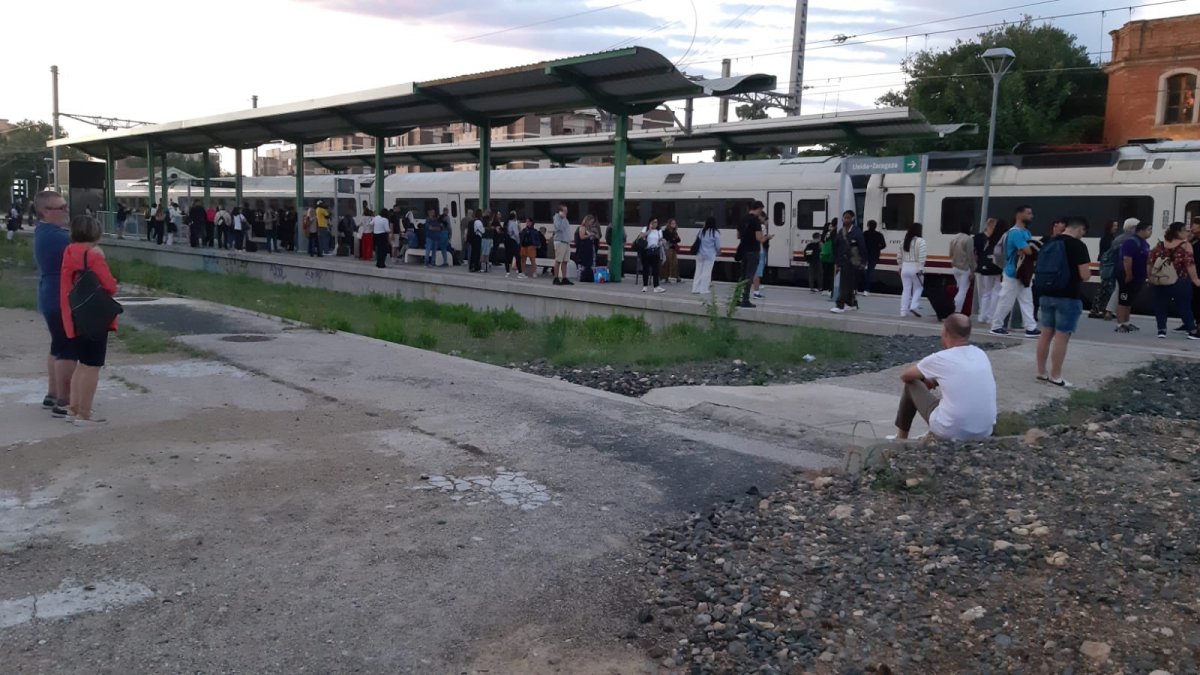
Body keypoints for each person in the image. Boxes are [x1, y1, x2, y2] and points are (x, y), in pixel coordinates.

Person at [890, 314, 997, 441]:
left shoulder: (941, 358)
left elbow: (905, 376)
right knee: (954, 397)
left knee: (911, 384)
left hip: (951, 431)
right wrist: (934, 380)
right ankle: (931, 434)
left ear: (945, 331)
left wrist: (925, 380)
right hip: (984, 431)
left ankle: (901, 438)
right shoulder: (980, 354)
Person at [59, 215, 118, 425]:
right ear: (96, 233)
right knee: (92, 366)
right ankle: (85, 412)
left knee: (81, 365)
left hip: (73, 315)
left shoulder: (69, 252)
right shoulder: (93, 256)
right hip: (93, 318)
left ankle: (73, 409)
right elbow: (110, 286)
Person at [32, 190, 77, 418]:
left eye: (65, 205)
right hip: (60, 297)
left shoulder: (44, 232)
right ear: (45, 211)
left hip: (50, 295)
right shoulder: (59, 238)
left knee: (57, 346)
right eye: (60, 207)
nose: (65, 210)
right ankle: (64, 401)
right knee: (68, 350)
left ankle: (52, 393)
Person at [1033, 217, 1092, 387]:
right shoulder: (1077, 245)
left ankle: (1041, 372)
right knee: (1061, 335)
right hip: (1068, 296)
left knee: (1045, 333)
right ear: (1080, 229)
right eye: (1083, 233)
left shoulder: (1049, 242)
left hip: (1045, 293)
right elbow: (1084, 275)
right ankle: (1056, 376)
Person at [989, 205, 1041, 337]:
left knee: (1026, 299)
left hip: (1022, 272)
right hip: (1013, 272)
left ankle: (1031, 327)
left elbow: (1027, 249)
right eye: (1028, 213)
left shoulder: (1025, 232)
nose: (1032, 216)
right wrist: (1030, 247)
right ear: (1019, 215)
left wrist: (1028, 248)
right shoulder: (1015, 233)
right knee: (1007, 300)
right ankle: (996, 325)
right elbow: (1028, 250)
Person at [1147, 221, 1200, 340]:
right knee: (1184, 306)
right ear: (1179, 232)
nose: (1187, 232)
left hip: (1161, 281)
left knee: (1160, 306)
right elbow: (1190, 264)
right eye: (1185, 230)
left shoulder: (1160, 245)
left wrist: (1150, 277)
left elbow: (1150, 262)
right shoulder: (1186, 246)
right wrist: (1195, 279)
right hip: (1180, 281)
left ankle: (1161, 330)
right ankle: (1191, 330)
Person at [1092, 217, 1141, 320]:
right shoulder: (1131, 239)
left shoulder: (1118, 238)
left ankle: (1109, 312)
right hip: (1123, 268)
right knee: (1122, 291)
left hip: (1115, 267)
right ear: (1133, 228)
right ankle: (1117, 315)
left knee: (1116, 290)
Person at [1113, 220, 1152, 334]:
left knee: (1129, 300)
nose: (1150, 232)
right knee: (1123, 299)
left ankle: (1126, 322)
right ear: (1141, 230)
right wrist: (1129, 274)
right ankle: (1120, 323)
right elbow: (1127, 259)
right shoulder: (1131, 242)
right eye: (1149, 229)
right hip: (1127, 276)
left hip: (1139, 277)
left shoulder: (1144, 243)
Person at [830, 210, 866, 313]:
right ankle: (852, 304)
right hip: (843, 261)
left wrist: (863, 262)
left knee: (845, 284)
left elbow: (862, 247)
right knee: (849, 283)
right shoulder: (841, 232)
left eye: (848, 218)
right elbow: (836, 247)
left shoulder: (857, 232)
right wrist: (836, 262)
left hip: (853, 262)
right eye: (844, 218)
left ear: (853, 219)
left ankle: (840, 304)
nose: (846, 220)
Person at [974, 218, 1005, 325]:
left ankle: (982, 315)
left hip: (985, 267)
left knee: (986, 293)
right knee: (996, 292)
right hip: (997, 268)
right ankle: (991, 317)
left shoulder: (980, 237)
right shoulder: (1000, 237)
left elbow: (977, 252)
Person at [736, 201, 765, 308]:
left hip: (743, 250)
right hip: (753, 251)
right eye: (761, 210)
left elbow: (738, 236)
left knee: (742, 275)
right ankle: (745, 300)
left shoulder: (742, 219)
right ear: (758, 208)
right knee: (749, 276)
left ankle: (736, 298)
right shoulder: (755, 221)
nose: (760, 212)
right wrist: (765, 238)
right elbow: (759, 238)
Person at [898, 222, 927, 318]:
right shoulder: (921, 241)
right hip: (915, 266)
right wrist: (921, 268)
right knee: (919, 287)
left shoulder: (904, 241)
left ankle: (903, 311)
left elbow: (899, 256)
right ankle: (914, 306)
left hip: (905, 266)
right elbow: (922, 256)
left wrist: (900, 266)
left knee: (906, 290)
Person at [948, 222, 976, 314]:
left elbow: (950, 254)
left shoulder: (954, 238)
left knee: (959, 287)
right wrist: (973, 269)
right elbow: (970, 255)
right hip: (965, 268)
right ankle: (956, 309)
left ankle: (955, 307)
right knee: (963, 290)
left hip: (955, 267)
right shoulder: (969, 239)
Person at [691, 216, 721, 295]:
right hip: (710, 255)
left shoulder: (701, 231)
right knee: (707, 272)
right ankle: (703, 289)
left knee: (698, 271)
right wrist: (718, 252)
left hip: (700, 254)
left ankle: (695, 288)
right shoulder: (715, 232)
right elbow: (717, 245)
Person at [635, 218, 665, 293]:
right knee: (646, 269)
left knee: (656, 269)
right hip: (646, 251)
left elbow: (660, 241)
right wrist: (649, 230)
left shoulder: (659, 231)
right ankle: (645, 286)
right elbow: (640, 237)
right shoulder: (645, 228)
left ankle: (656, 286)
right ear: (650, 223)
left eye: (656, 222)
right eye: (654, 222)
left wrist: (660, 242)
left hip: (655, 251)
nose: (655, 224)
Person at [751, 211, 773, 300]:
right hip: (759, 250)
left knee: (750, 272)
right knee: (757, 273)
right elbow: (761, 240)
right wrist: (768, 237)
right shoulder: (760, 226)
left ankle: (747, 291)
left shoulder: (750, 225)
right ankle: (756, 292)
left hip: (752, 250)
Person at [861, 219, 886, 296]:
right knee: (870, 272)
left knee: (860, 270)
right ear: (875, 226)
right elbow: (884, 245)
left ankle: (855, 288)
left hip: (865, 254)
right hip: (874, 255)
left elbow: (861, 243)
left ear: (868, 226)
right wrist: (878, 248)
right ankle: (866, 289)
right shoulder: (879, 235)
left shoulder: (865, 234)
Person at [552, 204, 574, 286]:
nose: (566, 213)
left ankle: (564, 278)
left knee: (565, 261)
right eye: (564, 211)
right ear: (560, 211)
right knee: (558, 260)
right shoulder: (557, 218)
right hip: (560, 241)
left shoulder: (565, 219)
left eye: (566, 211)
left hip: (566, 242)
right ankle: (556, 278)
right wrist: (563, 218)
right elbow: (559, 228)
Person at [662, 218, 682, 284]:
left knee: (675, 263)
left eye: (675, 223)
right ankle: (665, 278)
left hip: (673, 249)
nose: (674, 224)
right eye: (672, 223)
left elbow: (679, 240)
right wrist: (674, 239)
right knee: (668, 263)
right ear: (669, 224)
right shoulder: (666, 231)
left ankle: (677, 277)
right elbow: (670, 239)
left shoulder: (674, 231)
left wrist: (674, 239)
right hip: (668, 249)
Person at [819, 221, 835, 296]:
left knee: (825, 273)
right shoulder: (831, 234)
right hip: (831, 256)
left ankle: (824, 289)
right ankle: (830, 289)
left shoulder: (823, 235)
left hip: (824, 256)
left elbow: (822, 244)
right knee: (831, 274)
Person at [505, 210, 522, 278]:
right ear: (514, 216)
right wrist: (518, 242)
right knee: (517, 257)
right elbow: (517, 234)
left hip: (507, 241)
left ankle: (507, 272)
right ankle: (520, 272)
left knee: (508, 257)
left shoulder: (507, 223)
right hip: (513, 241)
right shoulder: (513, 223)